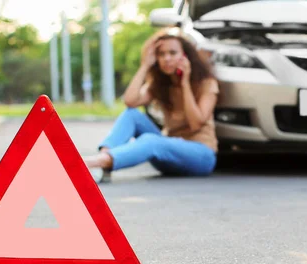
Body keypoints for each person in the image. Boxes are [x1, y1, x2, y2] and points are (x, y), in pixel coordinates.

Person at [83, 29, 220, 182]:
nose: (167, 58)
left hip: (200, 156)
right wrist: (145, 65)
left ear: (186, 56)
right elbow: (130, 101)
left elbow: (196, 124)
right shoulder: (160, 85)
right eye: (161, 54)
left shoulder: (206, 83)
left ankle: (90, 164)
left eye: (173, 53)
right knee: (132, 114)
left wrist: (185, 83)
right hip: (167, 153)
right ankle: (103, 164)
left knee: (151, 141)